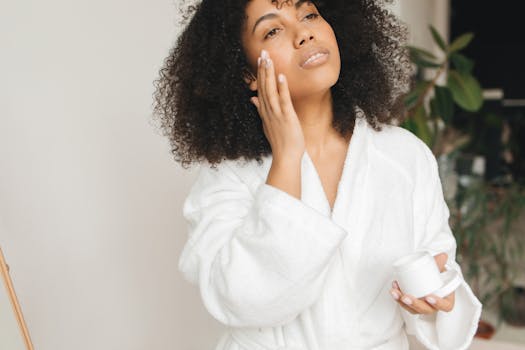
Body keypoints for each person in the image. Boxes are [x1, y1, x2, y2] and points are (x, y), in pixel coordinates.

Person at [153, 0, 482, 349]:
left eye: (309, 14)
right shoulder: (229, 174)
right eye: (273, 30)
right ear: (248, 73)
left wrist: (433, 302)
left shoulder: (404, 155)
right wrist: (287, 159)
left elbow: (439, 272)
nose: (303, 33)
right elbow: (240, 299)